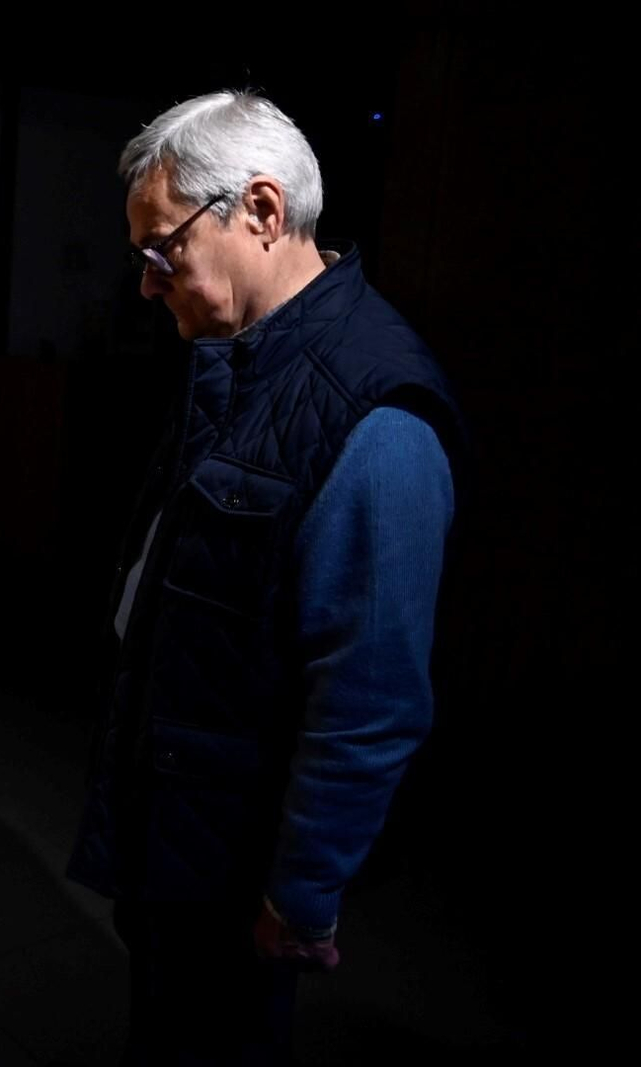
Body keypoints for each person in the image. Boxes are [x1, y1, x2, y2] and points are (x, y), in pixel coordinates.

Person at [67, 90, 464, 1064]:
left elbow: (367, 702)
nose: (149, 286)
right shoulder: (237, 357)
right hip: (178, 833)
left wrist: (299, 895)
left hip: (235, 872)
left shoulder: (375, 418)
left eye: (162, 252)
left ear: (260, 210)